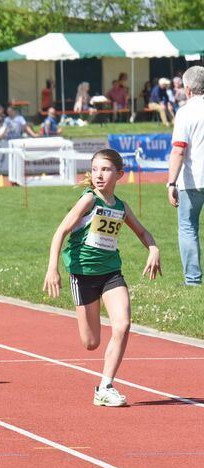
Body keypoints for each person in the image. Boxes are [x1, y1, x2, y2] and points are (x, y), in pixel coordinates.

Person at [43, 149, 161, 407]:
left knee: (122, 324)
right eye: (95, 169)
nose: (99, 175)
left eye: (106, 170)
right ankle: (103, 374)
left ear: (119, 174)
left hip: (110, 273)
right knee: (91, 342)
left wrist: (153, 248)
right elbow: (60, 231)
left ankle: (105, 387)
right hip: (83, 275)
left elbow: (143, 233)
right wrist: (53, 268)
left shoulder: (120, 207)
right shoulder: (88, 200)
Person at [167, 65, 204, 286]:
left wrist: (171, 182)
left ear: (188, 89)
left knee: (188, 228)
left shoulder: (185, 112)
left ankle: (193, 279)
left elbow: (179, 149)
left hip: (193, 179)